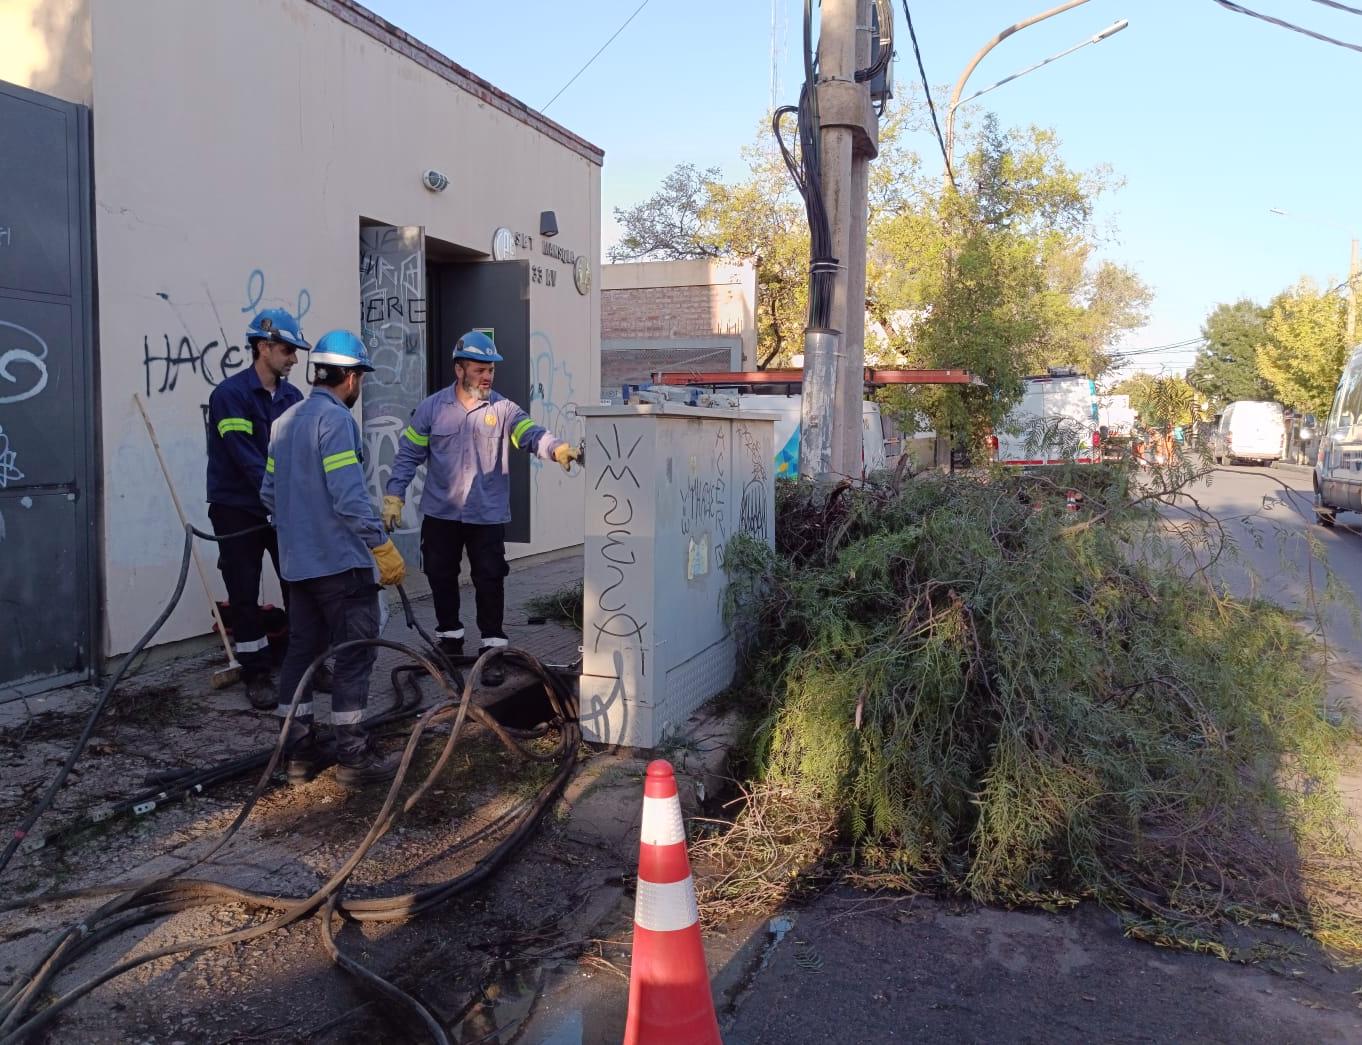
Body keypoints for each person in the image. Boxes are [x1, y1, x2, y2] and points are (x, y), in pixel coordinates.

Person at [381, 330, 581, 686]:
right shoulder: (431, 409)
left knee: (489, 578)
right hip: (442, 513)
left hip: (485, 515)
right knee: (440, 576)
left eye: (490, 370)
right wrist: (394, 495)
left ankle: (493, 649)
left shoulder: (502, 409)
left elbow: (530, 433)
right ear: (460, 370)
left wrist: (557, 448)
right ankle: (450, 640)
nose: (487, 376)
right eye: (479, 370)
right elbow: (408, 455)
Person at [261, 329, 406, 786]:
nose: (358, 385)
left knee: (301, 655)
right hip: (342, 567)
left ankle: (298, 754)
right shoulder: (338, 422)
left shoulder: (283, 422)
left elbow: (269, 493)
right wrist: (380, 545)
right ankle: (353, 756)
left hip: (298, 568)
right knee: (353, 656)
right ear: (348, 377)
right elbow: (347, 496)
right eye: (359, 376)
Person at [206, 307, 315, 709]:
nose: (294, 358)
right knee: (245, 591)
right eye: (288, 349)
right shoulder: (229, 396)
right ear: (264, 347)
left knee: (298, 583)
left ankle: (307, 664)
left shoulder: (293, 397)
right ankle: (256, 672)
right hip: (237, 507)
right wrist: (280, 497)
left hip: (282, 505)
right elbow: (244, 458)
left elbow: (301, 452)